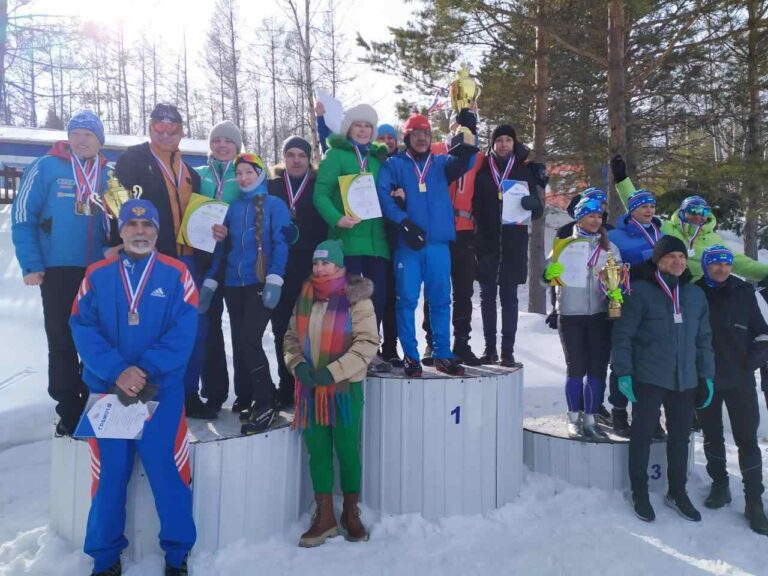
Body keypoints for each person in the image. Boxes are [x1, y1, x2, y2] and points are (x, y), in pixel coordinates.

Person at [69, 198, 197, 576]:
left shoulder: (178, 274)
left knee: (168, 472)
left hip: (160, 391)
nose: (140, 232)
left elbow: (184, 331)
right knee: (109, 475)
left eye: (148, 225)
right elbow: (82, 327)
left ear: (157, 231)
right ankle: (105, 557)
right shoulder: (97, 275)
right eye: (132, 225)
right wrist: (117, 371)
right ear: (121, 231)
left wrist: (143, 370)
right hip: (109, 393)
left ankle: (177, 554)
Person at [114, 103, 225, 419]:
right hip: (150, 262)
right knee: (151, 330)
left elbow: (198, 216)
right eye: (159, 128)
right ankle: (147, 391)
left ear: (181, 132)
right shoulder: (132, 160)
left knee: (192, 329)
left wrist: (214, 231)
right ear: (150, 128)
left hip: (188, 262)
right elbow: (115, 202)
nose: (165, 134)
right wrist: (115, 243)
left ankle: (187, 392)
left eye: (172, 129)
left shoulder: (189, 172)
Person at [11, 110, 110, 436]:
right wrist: (31, 263)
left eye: (88, 134)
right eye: (76, 133)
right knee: (62, 337)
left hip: (98, 270)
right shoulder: (46, 167)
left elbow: (122, 216)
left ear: (99, 141)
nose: (81, 140)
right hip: (57, 268)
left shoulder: (109, 174)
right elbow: (23, 215)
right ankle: (68, 406)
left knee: (98, 335)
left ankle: (97, 399)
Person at [612, 235, 715, 523]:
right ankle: (639, 491)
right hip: (649, 377)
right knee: (642, 435)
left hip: (685, 380)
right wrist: (623, 372)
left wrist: (706, 375)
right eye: (671, 256)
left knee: (680, 438)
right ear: (658, 261)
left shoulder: (694, 295)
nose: (678, 261)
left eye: (681, 257)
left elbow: (704, 339)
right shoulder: (639, 292)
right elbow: (623, 336)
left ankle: (677, 491)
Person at [283, 239, 378, 547]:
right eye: (316, 262)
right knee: (318, 450)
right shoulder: (305, 297)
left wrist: (333, 372)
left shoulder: (357, 299)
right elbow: (290, 338)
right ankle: (324, 517)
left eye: (325, 262)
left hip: (344, 389)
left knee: (347, 449)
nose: (319, 268)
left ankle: (351, 511)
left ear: (338, 265)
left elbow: (367, 343)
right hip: (311, 390)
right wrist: (298, 366)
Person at [376, 112, 477, 377]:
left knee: (441, 300)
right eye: (416, 134)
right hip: (408, 245)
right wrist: (404, 223)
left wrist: (469, 131)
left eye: (426, 133)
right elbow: (383, 197)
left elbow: (466, 161)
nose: (422, 138)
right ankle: (411, 356)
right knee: (407, 300)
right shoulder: (394, 164)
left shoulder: (441, 162)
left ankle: (443, 354)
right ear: (407, 137)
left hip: (438, 245)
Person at [209, 152, 290, 432]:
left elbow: (281, 244)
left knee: (250, 340)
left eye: (249, 173)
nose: (244, 178)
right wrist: (210, 281)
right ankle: (253, 397)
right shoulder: (231, 208)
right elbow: (222, 249)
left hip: (260, 282)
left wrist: (275, 278)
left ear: (260, 174)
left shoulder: (275, 205)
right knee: (241, 341)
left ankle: (267, 401)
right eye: (239, 174)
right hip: (234, 284)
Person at [695, 245, 768, 535]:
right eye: (715, 263)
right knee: (711, 436)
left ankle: (754, 502)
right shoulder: (694, 292)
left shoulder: (744, 291)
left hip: (740, 380)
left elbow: (762, 332)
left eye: (726, 263)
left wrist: (750, 362)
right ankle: (720, 485)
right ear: (705, 266)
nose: (722, 268)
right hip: (706, 379)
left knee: (747, 440)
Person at [313, 103, 391, 373]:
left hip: (377, 242)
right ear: (348, 128)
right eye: (358, 125)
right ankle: (350, 352)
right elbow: (321, 193)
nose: (363, 130)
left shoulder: (378, 160)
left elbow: (385, 192)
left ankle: (370, 352)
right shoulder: (335, 156)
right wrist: (337, 218)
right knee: (353, 300)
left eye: (368, 126)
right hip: (347, 241)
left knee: (377, 299)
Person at [610, 157, 768, 282]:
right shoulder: (666, 229)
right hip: (666, 286)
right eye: (692, 210)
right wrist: (622, 180)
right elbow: (639, 208)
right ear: (682, 212)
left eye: (703, 211)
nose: (698, 215)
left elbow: (741, 263)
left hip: (697, 292)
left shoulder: (713, 240)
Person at [544, 197, 621, 441]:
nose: (596, 220)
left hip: (599, 314)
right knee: (576, 367)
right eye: (590, 216)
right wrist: (548, 274)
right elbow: (545, 277)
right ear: (579, 218)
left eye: (599, 216)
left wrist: (616, 289)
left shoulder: (610, 247)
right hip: (570, 314)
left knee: (597, 369)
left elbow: (618, 276)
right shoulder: (564, 245)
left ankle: (591, 419)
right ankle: (574, 419)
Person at [473, 124, 545, 367]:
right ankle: (489, 349)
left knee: (509, 298)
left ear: (514, 144)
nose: (503, 144)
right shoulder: (483, 171)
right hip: (487, 243)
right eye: (499, 140)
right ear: (492, 144)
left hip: (514, 244)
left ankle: (507, 352)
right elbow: (474, 207)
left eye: (508, 140)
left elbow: (538, 212)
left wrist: (532, 204)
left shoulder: (524, 171)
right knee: (487, 297)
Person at [269, 136, 328, 408]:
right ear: (284, 158)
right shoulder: (272, 186)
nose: (295, 160)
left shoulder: (317, 187)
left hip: (310, 269)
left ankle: (308, 385)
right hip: (279, 269)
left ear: (309, 158)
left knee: (309, 330)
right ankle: (286, 385)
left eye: (301, 155)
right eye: (290, 154)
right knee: (281, 329)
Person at [605, 188, 665, 436]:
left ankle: (651, 416)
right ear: (632, 210)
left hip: (656, 306)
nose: (649, 210)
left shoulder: (661, 234)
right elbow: (607, 271)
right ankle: (619, 413)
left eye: (652, 206)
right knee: (622, 360)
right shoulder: (615, 236)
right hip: (626, 304)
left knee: (653, 361)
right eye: (643, 206)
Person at [195, 120, 242, 414]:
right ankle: (213, 392)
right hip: (204, 259)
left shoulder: (245, 173)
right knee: (208, 326)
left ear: (237, 146)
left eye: (228, 141)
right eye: (217, 140)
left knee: (241, 328)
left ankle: (245, 393)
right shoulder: (198, 174)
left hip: (236, 259)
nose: (222, 145)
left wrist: (231, 231)